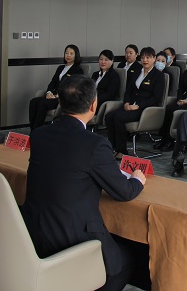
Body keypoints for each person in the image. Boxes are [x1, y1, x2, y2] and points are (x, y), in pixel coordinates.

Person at [22, 75, 147, 291]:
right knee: (126, 261)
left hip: (34, 230)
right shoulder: (96, 144)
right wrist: (137, 179)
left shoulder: (39, 135)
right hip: (74, 237)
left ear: (60, 102)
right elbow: (124, 192)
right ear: (93, 105)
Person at [105, 47, 165, 158]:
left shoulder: (158, 75)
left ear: (154, 59)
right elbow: (128, 91)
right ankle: (112, 148)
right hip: (131, 106)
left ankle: (122, 151)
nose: (145, 60)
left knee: (118, 117)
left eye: (148, 57)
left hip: (144, 109)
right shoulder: (137, 72)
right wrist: (126, 103)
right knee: (109, 116)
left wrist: (138, 106)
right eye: (142, 58)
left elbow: (156, 98)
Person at [157, 48, 187, 150]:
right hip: (183, 100)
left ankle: (170, 140)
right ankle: (164, 138)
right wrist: (179, 99)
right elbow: (180, 88)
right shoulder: (186, 73)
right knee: (168, 108)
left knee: (173, 111)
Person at [28, 44, 84, 131]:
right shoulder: (61, 68)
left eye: (71, 53)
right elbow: (53, 82)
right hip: (53, 96)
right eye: (66, 53)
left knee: (42, 103)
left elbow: (73, 87)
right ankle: (33, 129)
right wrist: (49, 92)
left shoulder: (78, 70)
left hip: (64, 98)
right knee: (33, 101)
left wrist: (57, 96)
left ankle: (37, 131)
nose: (68, 55)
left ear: (76, 55)